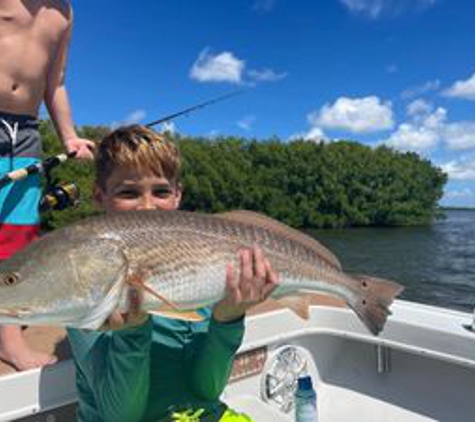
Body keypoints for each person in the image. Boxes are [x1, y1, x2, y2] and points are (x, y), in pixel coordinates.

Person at [67, 125, 279, 422]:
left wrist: (227, 318)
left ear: (178, 196)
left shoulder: (198, 276)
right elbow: (120, 417)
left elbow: (207, 391)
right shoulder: (88, 283)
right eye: (129, 192)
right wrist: (131, 329)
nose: (147, 206)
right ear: (99, 197)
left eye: (162, 191)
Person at [0, 0, 94, 371]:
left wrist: (69, 137)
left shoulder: (65, 12)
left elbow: (56, 82)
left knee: (17, 236)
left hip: (25, 131)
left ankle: (9, 340)